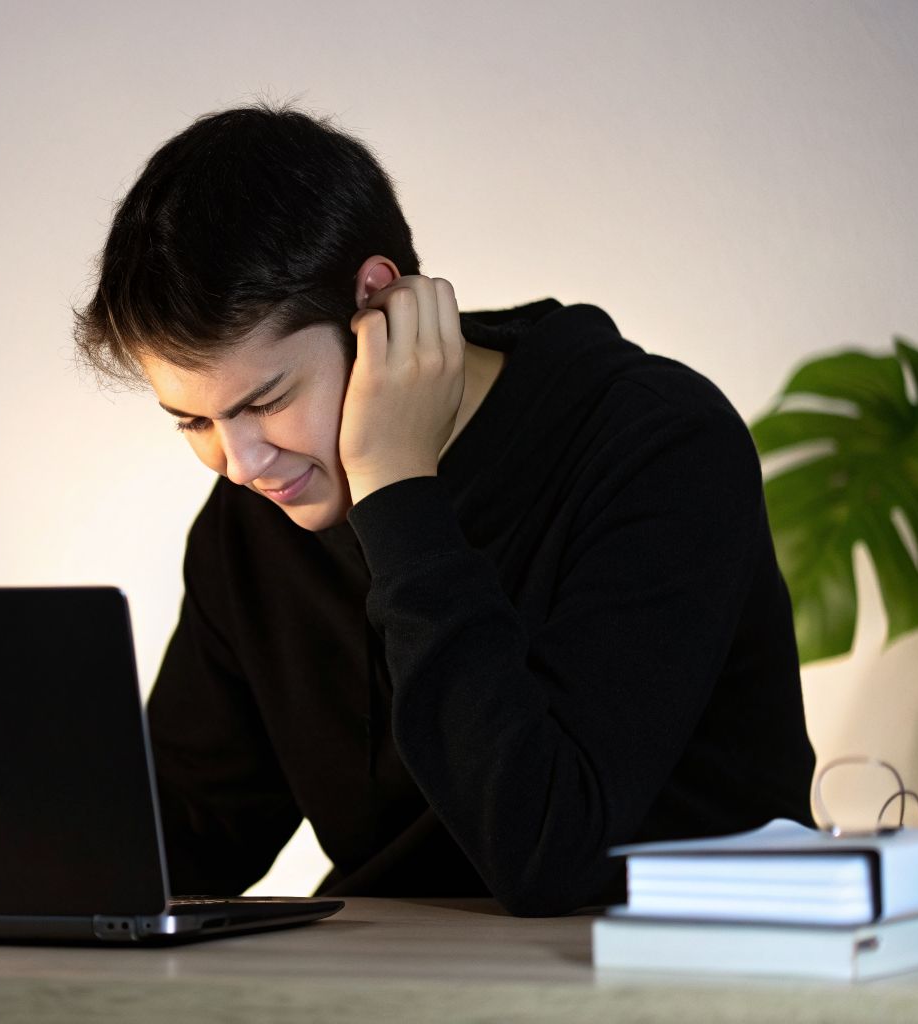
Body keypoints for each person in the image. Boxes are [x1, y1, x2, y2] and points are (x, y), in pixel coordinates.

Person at [71, 102, 816, 917]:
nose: (241, 463)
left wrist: (396, 485)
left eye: (268, 400)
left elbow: (548, 854)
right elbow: (192, 835)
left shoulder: (658, 446)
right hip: (407, 981)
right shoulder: (257, 515)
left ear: (377, 304)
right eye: (193, 421)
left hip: (674, 978)